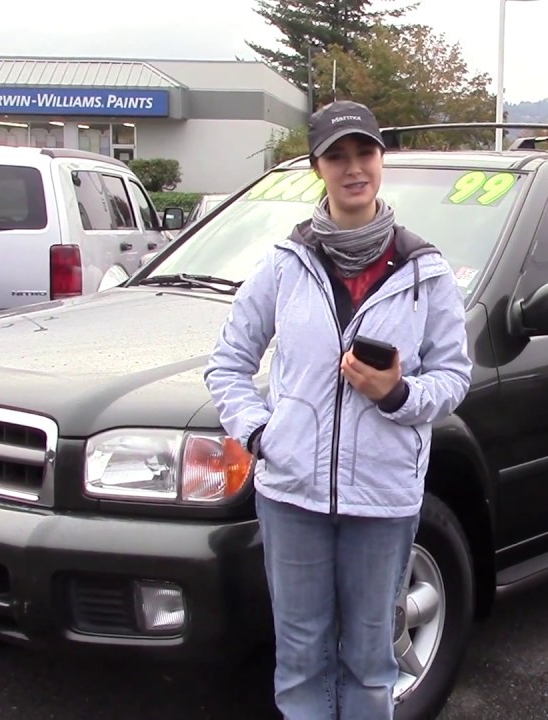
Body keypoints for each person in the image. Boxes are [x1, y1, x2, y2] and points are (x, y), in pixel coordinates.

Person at [203, 100, 472, 719]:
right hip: (291, 497)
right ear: (317, 168)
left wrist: (398, 394)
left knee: (371, 660)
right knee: (301, 658)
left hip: (382, 499)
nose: (354, 169)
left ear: (381, 159)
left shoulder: (425, 270)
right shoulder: (284, 264)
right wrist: (261, 434)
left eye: (364, 153)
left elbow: (455, 376)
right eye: (337, 157)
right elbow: (228, 363)